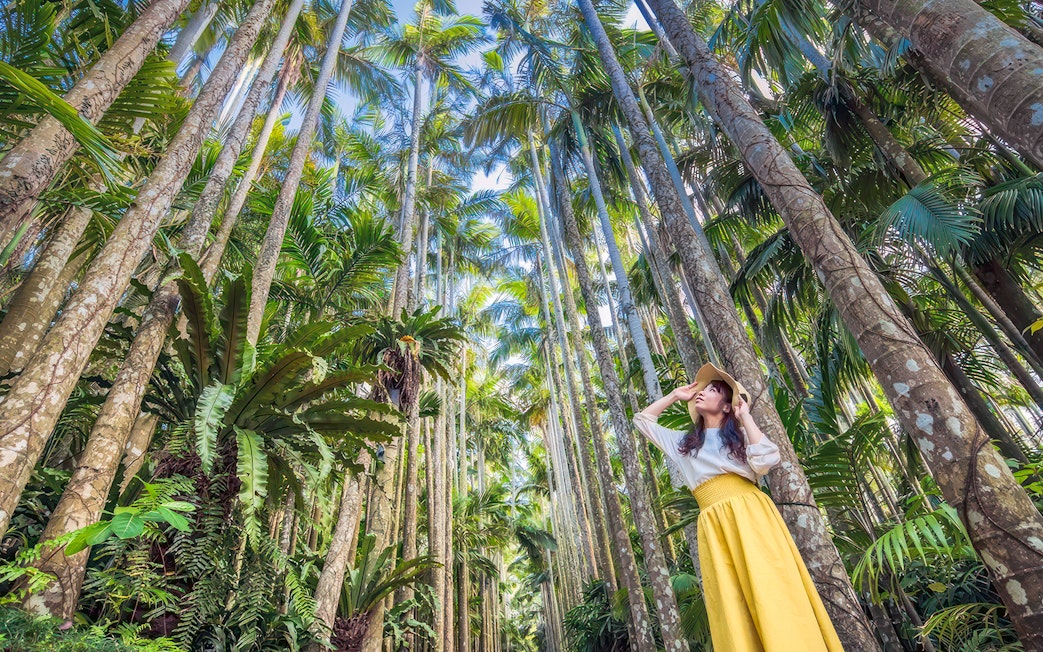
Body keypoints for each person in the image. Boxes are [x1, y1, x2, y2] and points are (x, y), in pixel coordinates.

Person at [635, 362, 843, 652]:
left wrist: (745, 416)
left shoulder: (741, 438)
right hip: (713, 523)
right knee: (732, 599)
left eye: (714, 390)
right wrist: (673, 396)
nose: (704, 392)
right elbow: (643, 421)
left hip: (751, 515)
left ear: (727, 406)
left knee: (771, 586)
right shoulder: (685, 444)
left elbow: (766, 460)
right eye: (704, 389)